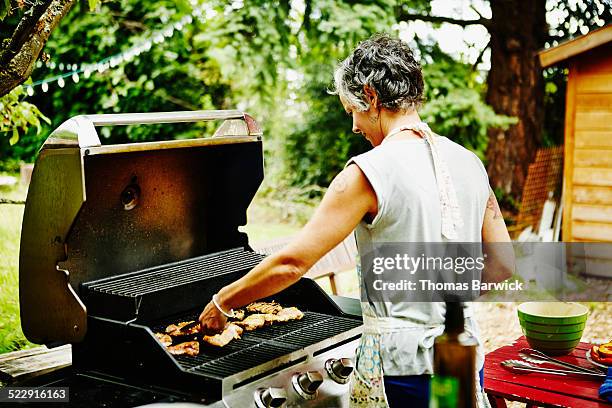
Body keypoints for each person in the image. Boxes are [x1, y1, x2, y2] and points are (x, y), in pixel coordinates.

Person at [198, 33, 513, 407]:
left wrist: (222, 302)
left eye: (353, 111)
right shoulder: (468, 162)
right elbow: (503, 265)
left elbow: (292, 263)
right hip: (463, 356)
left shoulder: (368, 172)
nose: (354, 128)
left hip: (404, 370)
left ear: (372, 97)